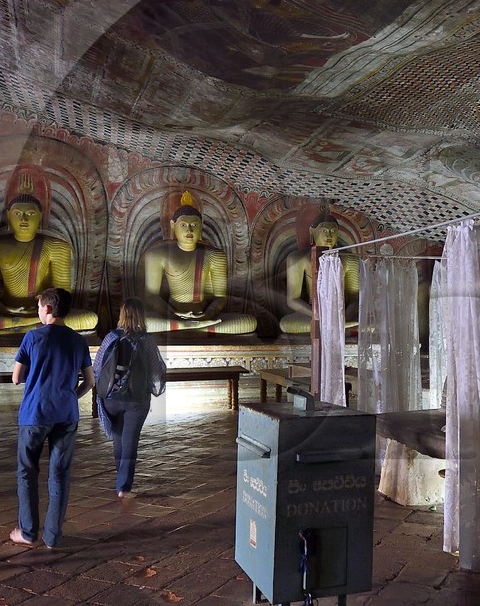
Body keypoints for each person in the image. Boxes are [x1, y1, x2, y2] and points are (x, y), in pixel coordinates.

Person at [10, 287, 95, 548]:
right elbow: (90, 381)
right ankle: (53, 536)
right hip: (66, 414)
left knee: (27, 471)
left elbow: (16, 377)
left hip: (35, 412)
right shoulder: (78, 340)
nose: (38, 311)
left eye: (38, 307)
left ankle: (27, 531)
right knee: (60, 473)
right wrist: (70, 396)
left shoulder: (33, 337)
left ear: (47, 308)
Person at [0, 193, 98, 334]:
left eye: (30, 213)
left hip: (44, 313)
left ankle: (18, 327)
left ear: (40, 216)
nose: (23, 219)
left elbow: (62, 293)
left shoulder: (57, 246)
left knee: (90, 319)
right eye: (17, 213)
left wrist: (43, 309)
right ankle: (27, 326)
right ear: (8, 215)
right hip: (4, 312)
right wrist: (4, 309)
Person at [140, 193, 256, 333]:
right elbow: (151, 296)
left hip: (204, 315)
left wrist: (208, 314)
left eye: (194, 225)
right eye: (183, 225)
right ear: (172, 225)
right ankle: (189, 327)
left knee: (249, 322)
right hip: (171, 315)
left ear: (201, 227)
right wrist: (171, 314)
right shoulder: (157, 255)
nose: (189, 230)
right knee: (140, 322)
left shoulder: (214, 255)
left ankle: (194, 326)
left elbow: (220, 297)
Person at [94, 297, 167, 498]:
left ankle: (121, 480)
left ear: (122, 315)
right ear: (142, 316)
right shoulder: (147, 341)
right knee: (130, 442)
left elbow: (97, 367)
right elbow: (156, 371)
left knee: (118, 439)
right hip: (136, 399)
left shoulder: (111, 337)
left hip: (111, 398)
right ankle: (124, 488)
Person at [279, 210, 360, 335]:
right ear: (312, 231)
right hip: (312, 313)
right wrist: (319, 315)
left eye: (333, 231)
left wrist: (343, 317)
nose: (329, 235)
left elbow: (355, 297)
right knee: (286, 324)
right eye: (324, 231)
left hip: (341, 313)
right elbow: (293, 299)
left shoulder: (349, 259)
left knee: (369, 324)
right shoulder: (297, 258)